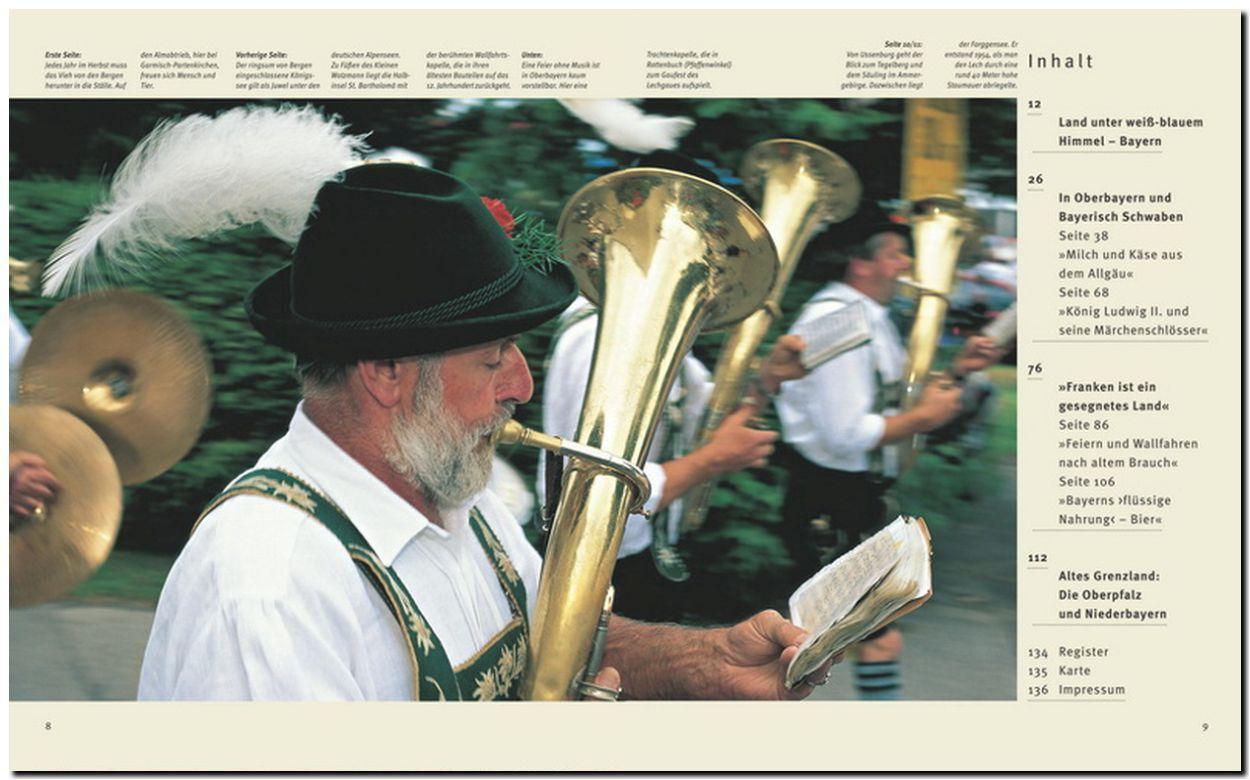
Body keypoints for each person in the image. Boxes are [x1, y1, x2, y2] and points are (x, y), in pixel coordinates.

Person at [137, 163, 831, 701]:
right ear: (385, 372)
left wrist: (709, 664)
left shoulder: (455, 495)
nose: (522, 386)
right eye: (494, 356)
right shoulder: (269, 581)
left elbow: (560, 637)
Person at [540, 152, 805, 621]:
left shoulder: (670, 342)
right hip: (595, 563)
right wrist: (712, 461)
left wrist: (764, 384)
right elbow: (592, 482)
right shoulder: (594, 337)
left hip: (637, 556)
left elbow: (710, 421)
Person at [775, 213, 1001, 699]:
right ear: (861, 264)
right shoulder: (838, 321)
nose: (908, 264)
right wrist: (923, 421)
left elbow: (897, 403)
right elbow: (846, 433)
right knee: (837, 645)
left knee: (836, 644)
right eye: (895, 253)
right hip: (827, 495)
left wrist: (958, 371)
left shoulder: (868, 317)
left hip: (849, 495)